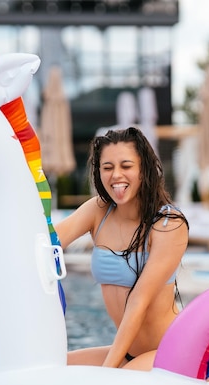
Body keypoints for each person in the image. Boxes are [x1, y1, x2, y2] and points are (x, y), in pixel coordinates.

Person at [55, 127, 189, 370]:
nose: (116, 175)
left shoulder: (169, 224)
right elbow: (49, 243)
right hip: (128, 351)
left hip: (173, 350)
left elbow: (139, 300)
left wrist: (107, 371)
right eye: (107, 168)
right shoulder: (98, 211)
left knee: (119, 382)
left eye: (126, 166)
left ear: (143, 170)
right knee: (53, 367)